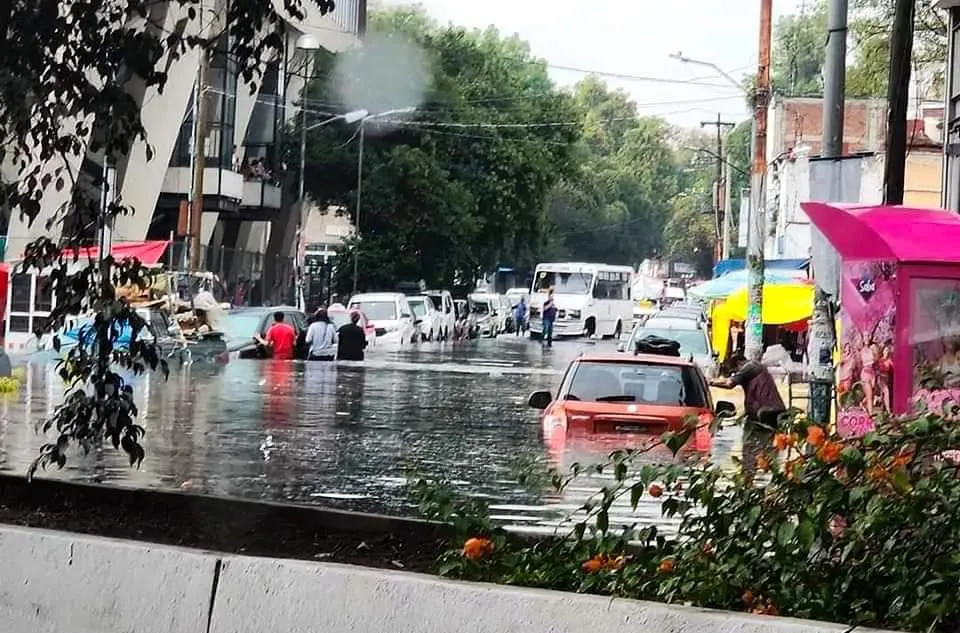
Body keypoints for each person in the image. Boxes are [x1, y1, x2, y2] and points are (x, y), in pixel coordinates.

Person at [710, 356, 786, 481]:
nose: (736, 374)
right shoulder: (760, 368)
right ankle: (774, 481)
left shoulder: (749, 367)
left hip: (760, 415)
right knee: (771, 451)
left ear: (738, 364)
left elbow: (729, 384)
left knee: (749, 450)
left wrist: (710, 382)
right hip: (776, 413)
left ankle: (747, 481)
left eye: (734, 371)